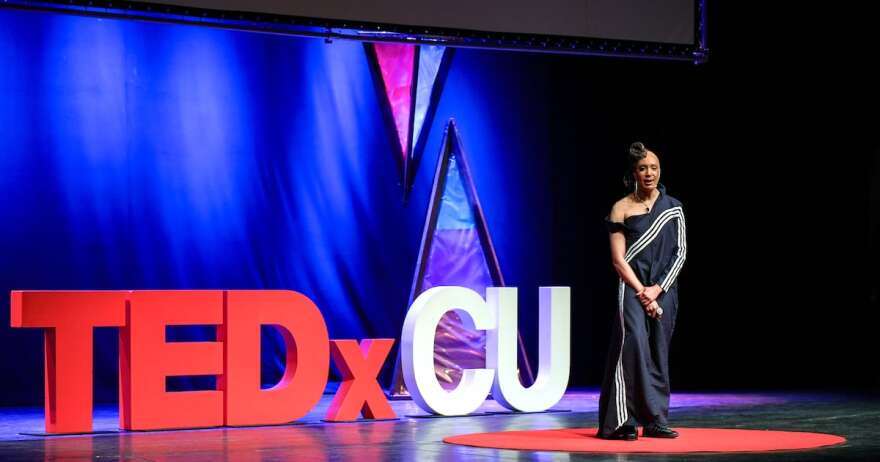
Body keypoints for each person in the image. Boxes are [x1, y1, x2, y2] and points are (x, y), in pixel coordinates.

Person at [597, 142, 686, 440]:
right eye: (643, 168)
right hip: (632, 287)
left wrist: (658, 289)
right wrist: (643, 291)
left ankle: (655, 420)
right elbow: (618, 260)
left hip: (664, 288)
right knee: (633, 343)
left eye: (654, 168)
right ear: (633, 172)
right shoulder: (620, 208)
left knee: (659, 352)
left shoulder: (673, 208)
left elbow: (681, 252)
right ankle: (622, 421)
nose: (649, 173)